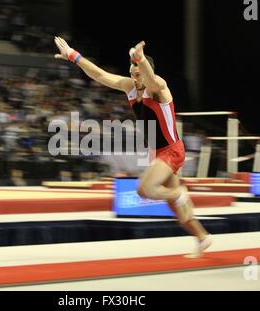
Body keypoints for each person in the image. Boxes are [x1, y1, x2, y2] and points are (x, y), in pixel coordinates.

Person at [54, 37, 212, 257]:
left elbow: (151, 78)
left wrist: (141, 60)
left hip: (172, 150)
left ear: (147, 72)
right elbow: (100, 75)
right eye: (132, 73)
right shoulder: (130, 87)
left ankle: (179, 192)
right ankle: (202, 238)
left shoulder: (159, 89)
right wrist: (74, 56)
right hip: (158, 152)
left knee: (144, 189)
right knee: (174, 207)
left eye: (138, 74)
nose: (134, 78)